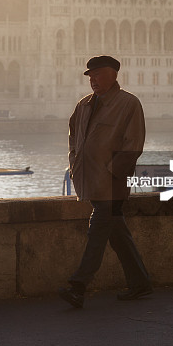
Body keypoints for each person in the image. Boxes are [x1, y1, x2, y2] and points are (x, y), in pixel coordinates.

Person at [58, 55, 152, 308]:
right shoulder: (84, 105)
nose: (93, 80)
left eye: (98, 75)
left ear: (113, 75)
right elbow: (73, 137)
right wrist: (74, 163)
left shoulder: (128, 104)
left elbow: (133, 144)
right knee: (117, 234)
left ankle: (78, 286)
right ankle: (141, 283)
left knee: (97, 232)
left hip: (111, 184)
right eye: (90, 76)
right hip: (89, 179)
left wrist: (114, 174)